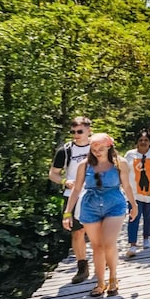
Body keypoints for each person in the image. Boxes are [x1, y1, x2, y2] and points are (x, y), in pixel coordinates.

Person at [63, 133, 138, 297]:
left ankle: (113, 277)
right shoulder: (84, 165)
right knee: (96, 246)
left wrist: (134, 205)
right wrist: (67, 213)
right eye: (94, 148)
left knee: (108, 243)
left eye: (101, 148)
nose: (97, 151)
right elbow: (76, 189)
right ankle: (100, 282)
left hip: (114, 204)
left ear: (109, 147)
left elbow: (127, 186)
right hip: (90, 206)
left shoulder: (120, 163)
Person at [48, 116, 92, 284]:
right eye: (73, 132)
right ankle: (82, 266)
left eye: (79, 131)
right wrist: (65, 181)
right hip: (72, 195)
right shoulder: (65, 151)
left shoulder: (97, 147)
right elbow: (53, 173)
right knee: (77, 231)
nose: (76, 135)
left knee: (99, 230)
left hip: (95, 193)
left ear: (88, 130)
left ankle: (102, 261)